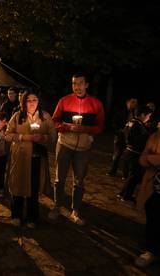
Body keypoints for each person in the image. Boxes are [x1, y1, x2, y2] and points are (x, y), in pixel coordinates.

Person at [48, 72, 105, 225]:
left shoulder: (96, 104)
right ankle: (57, 206)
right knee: (59, 179)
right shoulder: (64, 101)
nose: (77, 87)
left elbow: (100, 127)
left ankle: (75, 210)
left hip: (83, 148)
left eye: (80, 83)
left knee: (79, 181)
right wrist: (66, 127)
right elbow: (54, 121)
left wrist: (86, 129)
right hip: (65, 144)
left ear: (86, 85)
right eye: (74, 83)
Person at [6, 90, 56, 228]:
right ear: (24, 102)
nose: (32, 103)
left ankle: (32, 217)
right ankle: (16, 215)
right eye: (29, 100)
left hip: (37, 158)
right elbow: (8, 135)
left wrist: (43, 137)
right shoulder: (17, 116)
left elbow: (53, 136)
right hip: (20, 157)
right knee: (18, 186)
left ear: (38, 101)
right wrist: (23, 137)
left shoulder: (45, 116)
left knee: (33, 188)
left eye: (34, 100)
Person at [135, 123, 160, 267]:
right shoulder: (154, 137)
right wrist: (151, 159)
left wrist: (154, 159)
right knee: (153, 218)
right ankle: (151, 250)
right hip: (154, 188)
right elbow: (143, 159)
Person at [118, 105, 152, 202]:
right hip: (134, 153)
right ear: (142, 115)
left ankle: (122, 193)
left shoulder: (131, 122)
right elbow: (140, 140)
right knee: (134, 176)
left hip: (128, 151)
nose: (149, 118)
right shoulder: (138, 125)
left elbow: (124, 135)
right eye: (148, 116)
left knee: (131, 176)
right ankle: (126, 196)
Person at [107, 97, 138, 177]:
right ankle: (112, 171)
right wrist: (120, 131)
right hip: (120, 137)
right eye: (132, 102)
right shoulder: (120, 112)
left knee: (127, 157)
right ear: (127, 103)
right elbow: (113, 124)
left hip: (130, 139)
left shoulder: (136, 114)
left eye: (135, 102)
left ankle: (125, 174)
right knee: (117, 155)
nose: (134, 104)